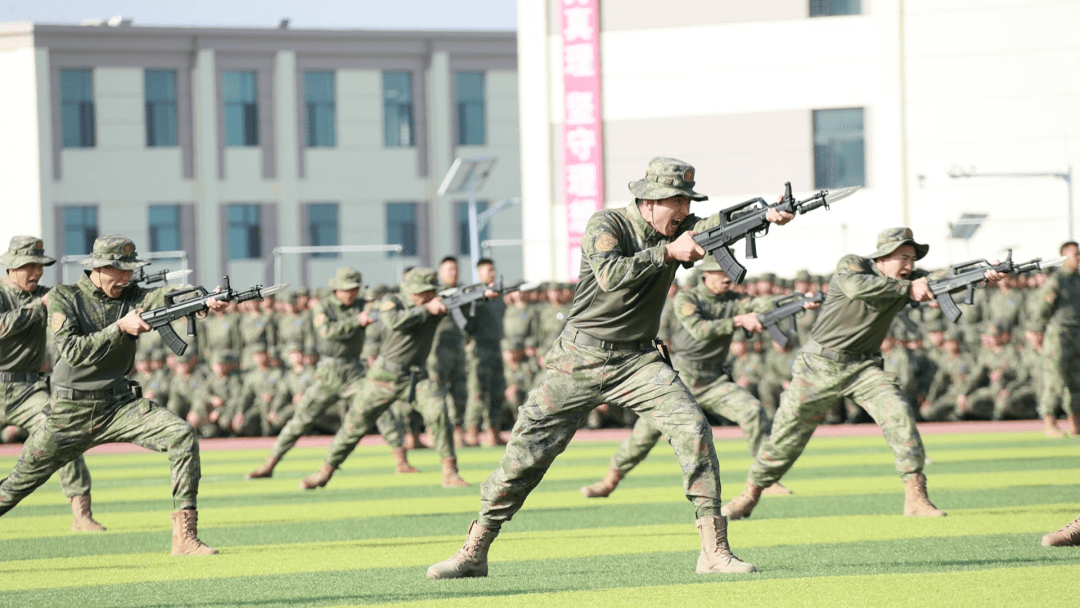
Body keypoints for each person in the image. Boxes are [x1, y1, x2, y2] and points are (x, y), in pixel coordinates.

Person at [427, 156, 798, 579]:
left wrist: (766, 215)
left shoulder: (679, 227)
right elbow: (609, 274)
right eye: (676, 201)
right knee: (525, 456)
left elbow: (712, 224)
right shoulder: (607, 225)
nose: (682, 211)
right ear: (649, 200)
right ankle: (474, 550)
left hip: (638, 360)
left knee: (693, 428)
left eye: (686, 202)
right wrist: (667, 253)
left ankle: (713, 550)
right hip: (578, 360)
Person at [721, 228, 1005, 522]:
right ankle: (750, 494)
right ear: (882, 257)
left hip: (863, 368)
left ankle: (916, 497)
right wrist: (909, 290)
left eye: (912, 259)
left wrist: (983, 275)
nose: (908, 265)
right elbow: (857, 287)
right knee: (786, 437)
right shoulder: (853, 265)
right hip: (818, 365)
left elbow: (939, 280)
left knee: (898, 414)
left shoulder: (907, 281)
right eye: (903, 257)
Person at [0, 235, 223, 555]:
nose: (128, 277)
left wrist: (202, 302)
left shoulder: (132, 295)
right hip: (69, 413)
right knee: (13, 488)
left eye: (131, 271)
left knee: (181, 435)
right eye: (121, 271)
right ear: (100, 269)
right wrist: (120, 328)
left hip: (118, 405)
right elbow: (74, 352)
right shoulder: (64, 297)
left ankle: (184, 537)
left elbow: (164, 297)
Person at [578, 254, 816, 498]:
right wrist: (737, 321)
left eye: (729, 273)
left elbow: (763, 304)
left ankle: (766, 481)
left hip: (713, 381)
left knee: (752, 411)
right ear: (707, 275)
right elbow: (700, 330)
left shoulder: (734, 300)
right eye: (721, 272)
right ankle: (609, 480)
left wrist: (798, 301)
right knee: (644, 434)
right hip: (679, 380)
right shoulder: (687, 298)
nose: (727, 278)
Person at [298, 268, 472, 490]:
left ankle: (450, 472)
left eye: (429, 293)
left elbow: (465, 312)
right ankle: (324, 472)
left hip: (416, 377)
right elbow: (392, 321)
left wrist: (478, 298)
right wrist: (426, 309)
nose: (425, 296)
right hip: (383, 377)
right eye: (421, 293)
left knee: (438, 410)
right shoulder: (394, 300)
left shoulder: (437, 304)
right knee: (353, 425)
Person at [247, 268, 410, 479]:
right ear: (337, 289)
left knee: (379, 408)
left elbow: (383, 308)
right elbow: (327, 332)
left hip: (354, 371)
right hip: (329, 373)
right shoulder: (323, 307)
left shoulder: (363, 305)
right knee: (301, 419)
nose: (352, 293)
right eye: (348, 289)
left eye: (355, 289)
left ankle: (401, 461)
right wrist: (356, 321)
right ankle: (269, 464)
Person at [0, 236, 100, 531]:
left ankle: (81, 513)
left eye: (40, 266)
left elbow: (78, 303)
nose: (37, 272)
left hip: (26, 390)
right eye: (30, 265)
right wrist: (38, 306)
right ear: (13, 267)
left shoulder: (46, 295)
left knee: (64, 431)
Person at [1034, 241, 1080, 437]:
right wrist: (1038, 332)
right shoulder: (1056, 280)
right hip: (1059, 334)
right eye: (1075, 255)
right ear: (1064, 257)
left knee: (1076, 380)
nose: (1078, 259)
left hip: (1076, 334)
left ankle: (1075, 423)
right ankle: (1050, 424)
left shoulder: (1077, 279)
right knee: (1054, 380)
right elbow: (1042, 311)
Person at [463, 258, 508, 446]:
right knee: (477, 391)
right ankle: (472, 432)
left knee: (497, 391)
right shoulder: (474, 293)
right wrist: (483, 294)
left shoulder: (499, 295)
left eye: (493, 270)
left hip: (496, 346)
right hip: (479, 348)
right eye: (488, 270)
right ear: (480, 273)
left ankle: (493, 432)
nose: (492, 274)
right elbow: (465, 304)